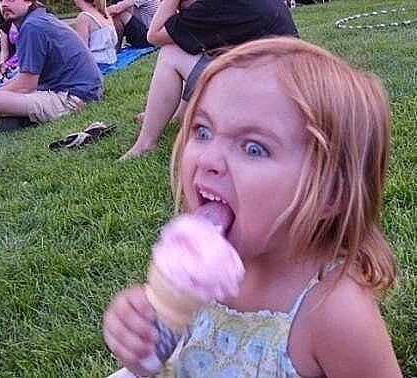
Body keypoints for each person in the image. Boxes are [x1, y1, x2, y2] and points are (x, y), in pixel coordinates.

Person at [103, 37, 403, 377]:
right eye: (203, 130)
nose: (209, 159)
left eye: (254, 148)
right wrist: (140, 338)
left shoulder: (333, 311)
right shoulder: (198, 269)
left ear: (329, 194)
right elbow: (167, 358)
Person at [121, 0, 299, 159]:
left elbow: (154, 35)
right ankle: (176, 115)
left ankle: (145, 143)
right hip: (286, 85)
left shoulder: (210, 6)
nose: (179, 12)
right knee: (193, 48)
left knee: (171, 53)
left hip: (267, 97)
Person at [0, 0, 103, 133]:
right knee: (2, 96)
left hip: (77, 96)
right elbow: (26, 75)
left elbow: (26, 86)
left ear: (28, 2)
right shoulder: (37, 20)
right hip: (85, 89)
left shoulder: (32, 26)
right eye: (1, 0)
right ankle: (24, 119)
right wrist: (0, 88)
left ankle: (27, 119)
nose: (4, 4)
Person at [74, 0, 118, 65]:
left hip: (97, 64)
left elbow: (83, 52)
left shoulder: (83, 18)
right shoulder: (105, 14)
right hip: (112, 60)